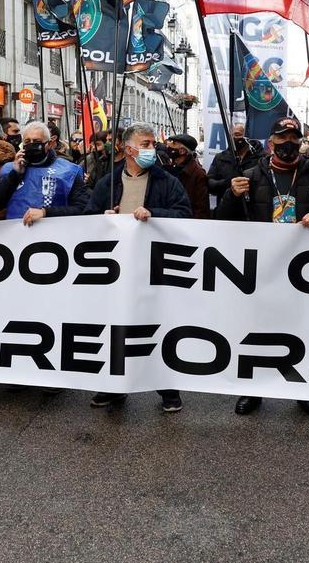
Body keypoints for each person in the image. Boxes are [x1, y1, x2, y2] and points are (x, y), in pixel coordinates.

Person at [218, 116, 309, 417]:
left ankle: (302, 388)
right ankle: (252, 390)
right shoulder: (251, 176)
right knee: (255, 328)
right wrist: (232, 194)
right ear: (271, 144)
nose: (288, 146)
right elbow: (224, 222)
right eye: (282, 140)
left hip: (301, 270)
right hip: (260, 268)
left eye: (294, 140)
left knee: (301, 329)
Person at [87, 123, 192, 413]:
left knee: (155, 326)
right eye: (145, 144)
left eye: (151, 143)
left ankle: (168, 390)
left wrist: (155, 214)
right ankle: (113, 387)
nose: (151, 149)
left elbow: (185, 214)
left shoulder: (166, 182)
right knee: (114, 327)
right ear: (127, 147)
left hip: (153, 268)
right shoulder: (108, 183)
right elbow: (86, 218)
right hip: (115, 270)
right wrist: (102, 217)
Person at [0, 120, 89, 223]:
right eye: (27, 141)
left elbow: (82, 208)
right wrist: (14, 174)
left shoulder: (68, 170)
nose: (31, 145)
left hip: (53, 235)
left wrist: (46, 213)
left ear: (49, 144)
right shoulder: (10, 169)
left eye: (36, 141)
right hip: (16, 235)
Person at [207, 122, 262, 200]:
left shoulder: (260, 158)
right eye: (231, 135)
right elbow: (209, 183)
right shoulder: (220, 157)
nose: (233, 138)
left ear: (246, 136)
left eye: (237, 134)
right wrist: (227, 183)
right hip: (226, 206)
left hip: (252, 207)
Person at [163, 133, 209, 219]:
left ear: (182, 151)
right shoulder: (168, 168)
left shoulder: (198, 174)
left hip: (186, 222)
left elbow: (201, 209)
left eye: (174, 144)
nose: (169, 145)